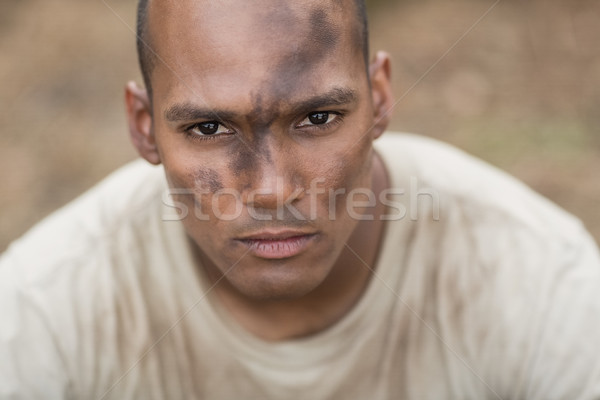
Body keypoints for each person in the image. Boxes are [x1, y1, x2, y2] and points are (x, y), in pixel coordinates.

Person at [1, 0, 599, 398]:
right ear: (142, 126)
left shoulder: (543, 283)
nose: (273, 190)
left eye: (317, 117)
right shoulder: (44, 308)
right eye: (209, 129)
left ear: (380, 98)